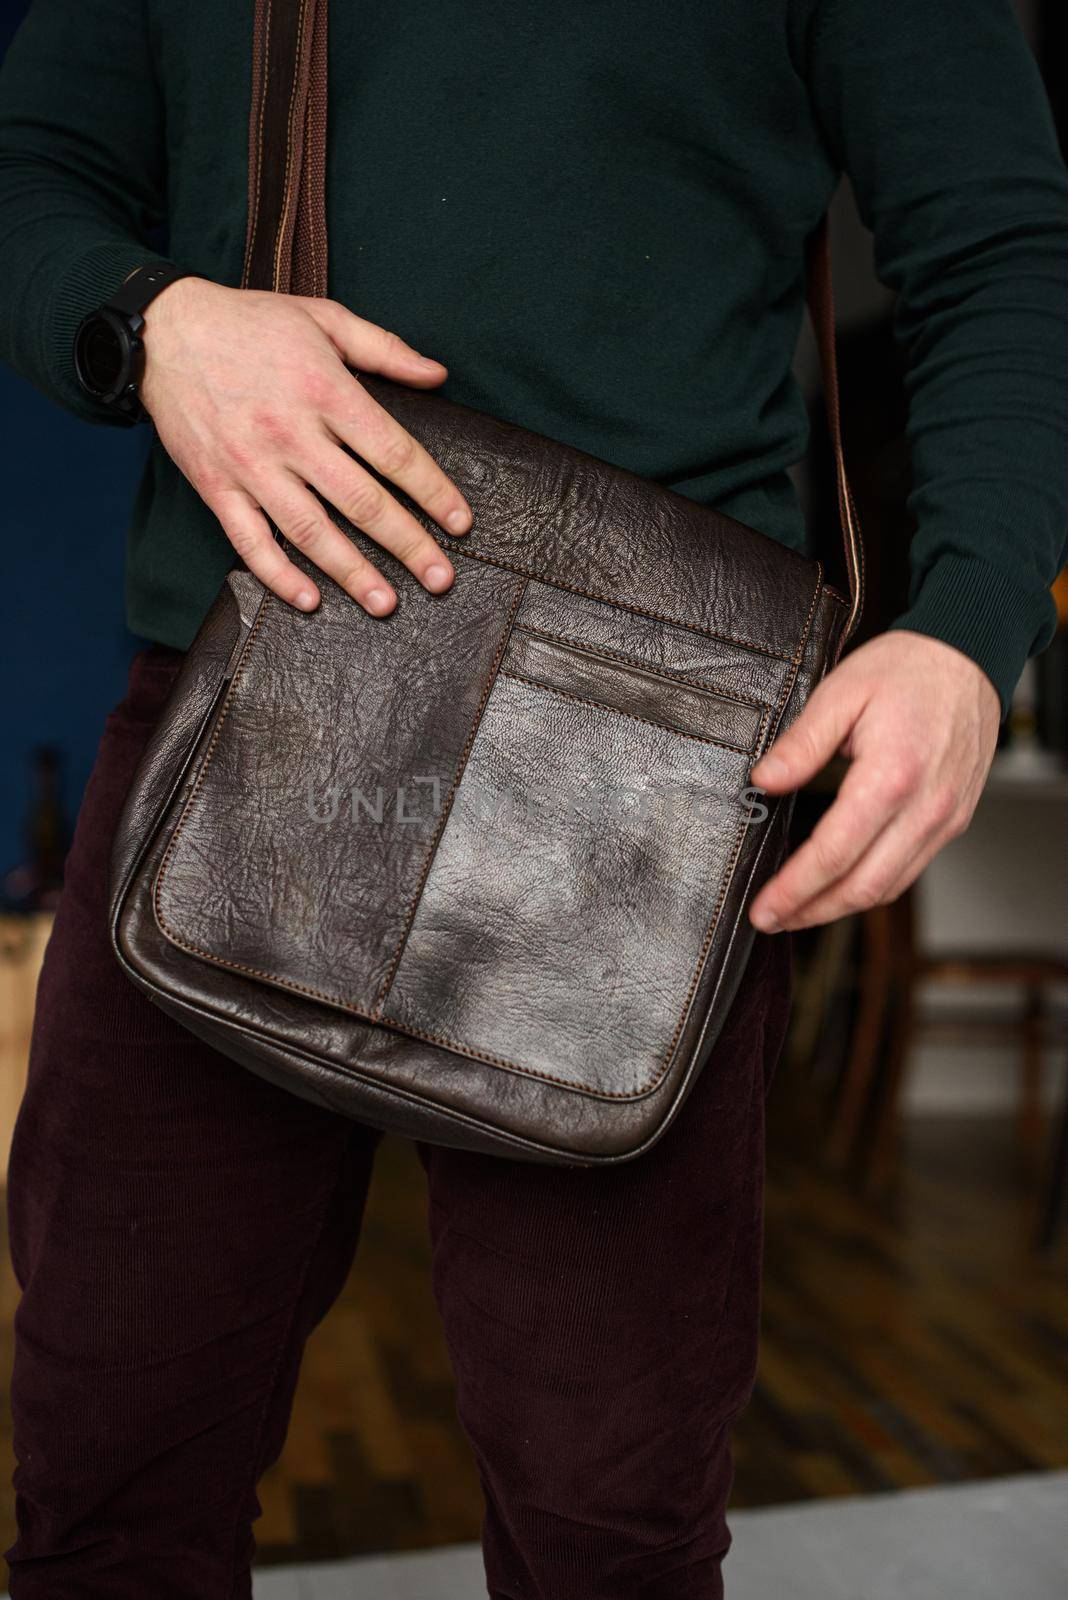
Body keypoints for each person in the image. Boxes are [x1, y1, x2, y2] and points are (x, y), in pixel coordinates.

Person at [1, 1, 1066, 1595]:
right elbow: (33, 172)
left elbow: (1000, 242)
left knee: (605, 1530)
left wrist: (968, 632)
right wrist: (151, 320)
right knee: (107, 1482)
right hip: (250, 697)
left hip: (655, 756)